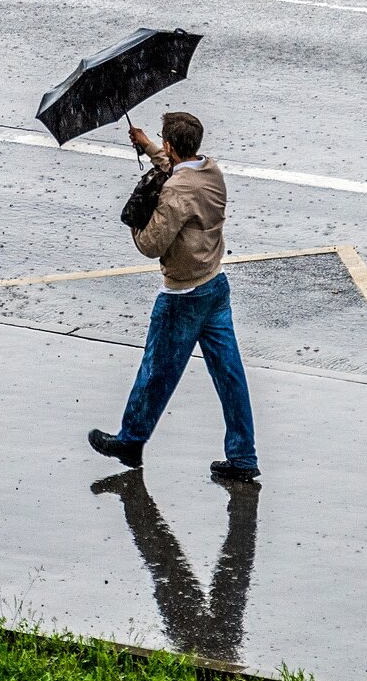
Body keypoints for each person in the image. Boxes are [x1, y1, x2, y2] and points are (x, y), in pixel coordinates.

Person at [88, 112, 260, 481]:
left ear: (172, 145)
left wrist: (135, 220)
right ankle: (243, 455)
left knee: (156, 371)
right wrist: (149, 146)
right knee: (230, 375)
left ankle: (131, 440)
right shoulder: (209, 171)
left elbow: (151, 244)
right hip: (215, 286)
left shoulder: (177, 191)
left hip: (183, 296)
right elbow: (178, 171)